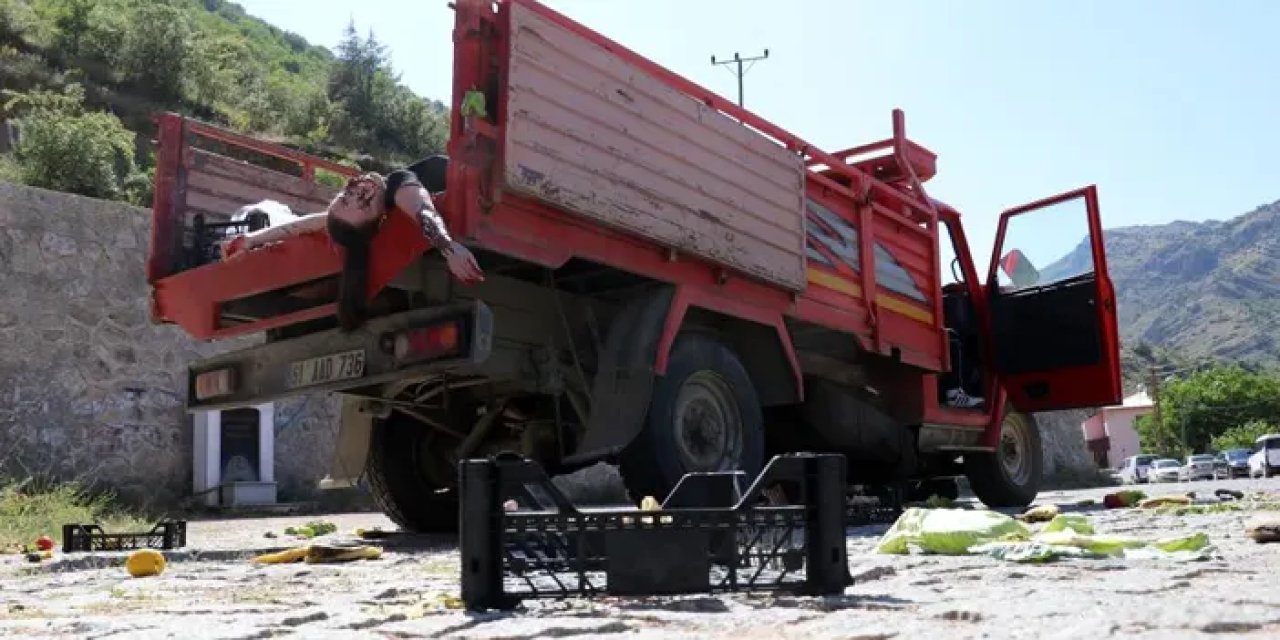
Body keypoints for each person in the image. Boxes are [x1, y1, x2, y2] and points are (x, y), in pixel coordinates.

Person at [327, 162, 484, 331]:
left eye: (345, 197)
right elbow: (422, 210)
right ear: (381, 219)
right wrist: (448, 247)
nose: (361, 191)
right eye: (366, 204)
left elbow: (320, 220)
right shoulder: (397, 187)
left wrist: (306, 224)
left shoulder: (381, 196)